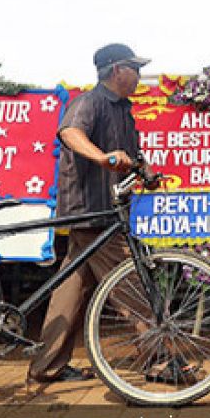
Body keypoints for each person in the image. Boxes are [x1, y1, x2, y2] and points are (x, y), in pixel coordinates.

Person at [27, 42, 153, 384]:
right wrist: (101, 157)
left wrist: (145, 172)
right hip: (91, 210)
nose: (139, 76)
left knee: (71, 286)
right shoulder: (90, 101)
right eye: (135, 69)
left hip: (104, 212)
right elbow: (70, 132)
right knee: (129, 282)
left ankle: (47, 364)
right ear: (116, 71)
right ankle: (160, 358)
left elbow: (130, 155)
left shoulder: (123, 110)